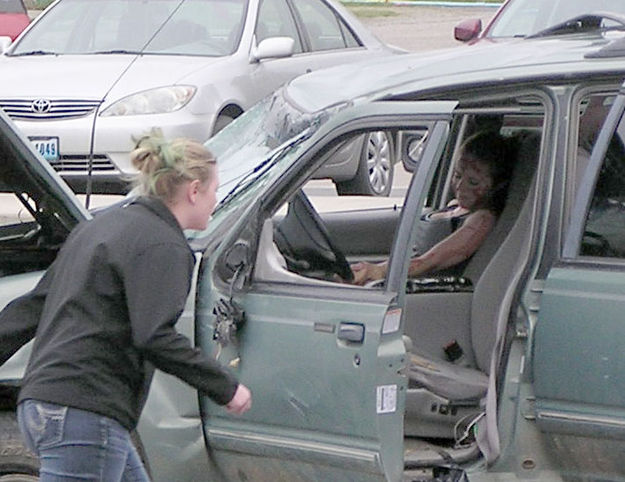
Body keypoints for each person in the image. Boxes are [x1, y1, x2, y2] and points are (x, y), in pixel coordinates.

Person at [0, 133, 252, 481]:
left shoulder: (101, 226)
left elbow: (33, 306)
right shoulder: (165, 246)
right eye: (214, 190)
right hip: (85, 413)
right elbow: (154, 337)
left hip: (41, 405)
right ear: (194, 190)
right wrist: (225, 387)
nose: (215, 199)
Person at [352, 130, 511, 285]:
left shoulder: (481, 221)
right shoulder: (455, 206)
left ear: (497, 185)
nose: (460, 186)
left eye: (474, 182)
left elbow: (432, 261)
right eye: (457, 175)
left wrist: (380, 271)